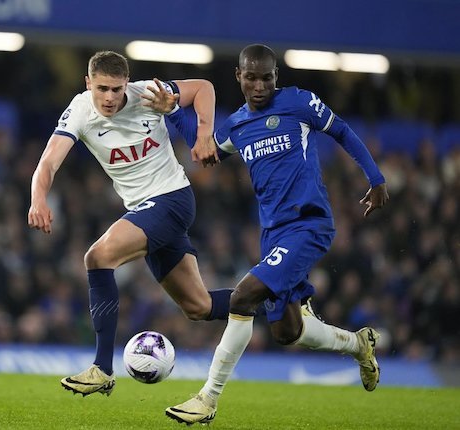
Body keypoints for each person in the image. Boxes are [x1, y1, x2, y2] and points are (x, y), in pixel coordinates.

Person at [158, 44, 389, 425]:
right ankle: (358, 344)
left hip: (309, 224)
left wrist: (376, 179)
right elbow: (206, 151)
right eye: (251, 77)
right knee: (288, 331)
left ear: (276, 76)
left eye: (267, 77)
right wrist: (172, 114)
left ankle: (207, 399)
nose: (260, 85)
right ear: (239, 77)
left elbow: (343, 131)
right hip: (273, 235)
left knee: (242, 297)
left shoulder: (299, 103)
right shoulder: (236, 125)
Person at [27, 50, 231, 396]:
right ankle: (279, 301)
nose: (109, 97)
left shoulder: (146, 93)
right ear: (88, 83)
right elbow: (48, 162)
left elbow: (203, 88)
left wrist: (204, 134)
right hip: (145, 210)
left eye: (116, 89)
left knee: (98, 257)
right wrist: (38, 198)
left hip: (173, 199)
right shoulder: (79, 111)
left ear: (127, 83)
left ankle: (102, 368)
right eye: (102, 89)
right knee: (200, 307)